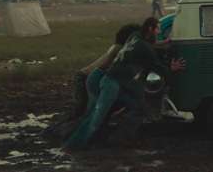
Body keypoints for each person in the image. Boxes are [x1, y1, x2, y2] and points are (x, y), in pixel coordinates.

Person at [64, 17, 186, 150]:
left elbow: (148, 47)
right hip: (112, 83)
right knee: (96, 117)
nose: (159, 32)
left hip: (115, 82)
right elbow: (160, 68)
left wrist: (164, 44)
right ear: (150, 29)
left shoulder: (135, 36)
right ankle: (72, 146)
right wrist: (172, 67)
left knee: (140, 107)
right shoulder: (145, 48)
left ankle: (121, 138)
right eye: (157, 29)